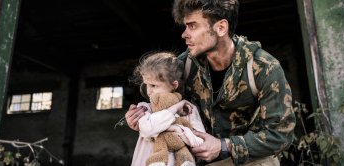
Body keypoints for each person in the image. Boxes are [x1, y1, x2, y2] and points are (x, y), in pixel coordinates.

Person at [127, 0, 296, 165]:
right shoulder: (184, 65)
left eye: (192, 26)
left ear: (221, 28)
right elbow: (159, 97)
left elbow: (280, 135)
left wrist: (224, 146)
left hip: (250, 161)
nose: (184, 34)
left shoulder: (264, 67)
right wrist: (142, 116)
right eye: (186, 26)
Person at [128, 51, 206, 166]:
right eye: (146, 85)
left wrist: (177, 130)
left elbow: (199, 142)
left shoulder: (189, 109)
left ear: (174, 85)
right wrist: (175, 108)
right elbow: (149, 129)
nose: (149, 91)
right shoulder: (144, 108)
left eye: (154, 85)